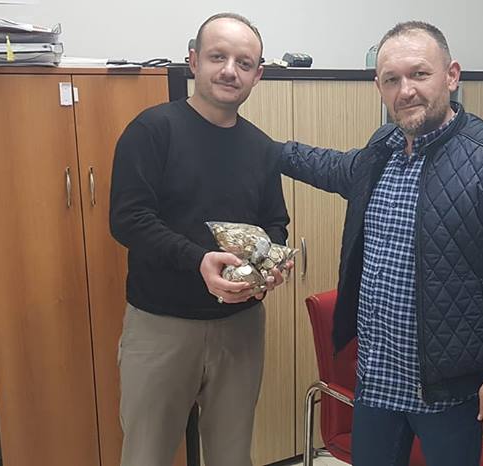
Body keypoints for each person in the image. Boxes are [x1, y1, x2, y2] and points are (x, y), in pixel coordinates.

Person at [279, 21, 483, 466]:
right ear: (379, 87)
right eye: (392, 79)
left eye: (419, 74)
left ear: (451, 75)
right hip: (377, 380)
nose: (406, 90)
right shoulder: (383, 147)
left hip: (449, 392)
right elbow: (333, 167)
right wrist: (266, 151)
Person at [109, 12, 289, 466]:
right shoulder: (152, 130)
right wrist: (198, 260)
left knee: (232, 455)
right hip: (161, 325)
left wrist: (271, 264)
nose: (230, 70)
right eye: (217, 57)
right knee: (146, 454)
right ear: (193, 61)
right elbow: (128, 220)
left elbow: (275, 223)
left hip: (241, 327)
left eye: (244, 63)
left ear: (257, 75)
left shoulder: (261, 148)